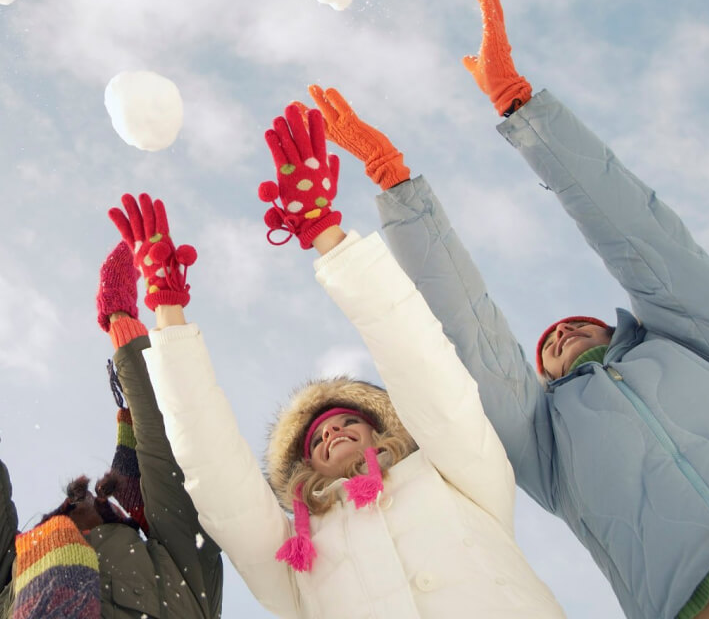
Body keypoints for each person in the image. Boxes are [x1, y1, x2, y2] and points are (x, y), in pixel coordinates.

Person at [303, 0, 709, 619]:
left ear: (617, 333)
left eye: (576, 327)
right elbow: (470, 332)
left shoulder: (699, 344)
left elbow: (640, 233)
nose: (557, 336)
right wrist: (396, 187)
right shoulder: (545, 443)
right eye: (548, 347)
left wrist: (522, 107)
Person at [107, 105, 564, 619]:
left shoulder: (458, 475)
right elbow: (216, 475)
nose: (333, 434)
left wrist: (326, 232)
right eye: (319, 437)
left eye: (348, 421)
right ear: (305, 466)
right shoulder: (295, 554)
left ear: (383, 432)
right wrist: (168, 306)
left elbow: (421, 363)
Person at [0, 241, 222, 619]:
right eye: (75, 513)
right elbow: (165, 446)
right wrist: (121, 318)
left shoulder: (0, 591)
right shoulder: (182, 580)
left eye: (72, 510)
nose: (80, 508)